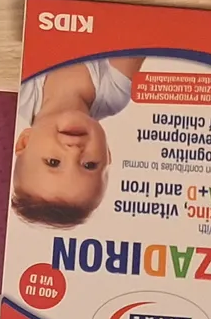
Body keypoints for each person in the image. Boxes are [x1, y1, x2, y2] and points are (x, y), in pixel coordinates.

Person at [10, 56, 141, 228]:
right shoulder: (113, 93)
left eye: (53, 162)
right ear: (107, 153)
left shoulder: (21, 90)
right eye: (89, 165)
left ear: (24, 142)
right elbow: (135, 43)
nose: (74, 151)